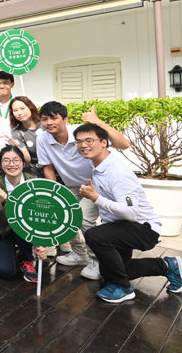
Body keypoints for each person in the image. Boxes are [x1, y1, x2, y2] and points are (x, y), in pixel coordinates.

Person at [75, 124, 182, 303]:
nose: (83, 145)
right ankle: (167, 265)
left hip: (142, 228)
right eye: (79, 141)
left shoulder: (118, 172)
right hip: (119, 227)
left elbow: (132, 213)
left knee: (94, 235)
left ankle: (123, 288)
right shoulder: (97, 163)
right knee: (111, 272)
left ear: (104, 143)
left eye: (89, 140)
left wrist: (96, 198)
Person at [37, 101, 130, 279]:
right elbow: (48, 167)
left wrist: (99, 122)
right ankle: (80, 254)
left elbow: (124, 144)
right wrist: (56, 193)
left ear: (65, 119)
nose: (49, 122)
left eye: (54, 118)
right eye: (44, 119)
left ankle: (96, 260)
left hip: (94, 183)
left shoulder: (82, 134)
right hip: (71, 185)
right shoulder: (43, 139)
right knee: (63, 216)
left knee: (85, 219)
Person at [0, 146, 47, 283]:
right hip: (2, 230)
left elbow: (41, 216)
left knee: (24, 219)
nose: (11, 164)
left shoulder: (33, 181)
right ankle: (4, 251)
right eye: (6, 160)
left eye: (16, 160)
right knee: (6, 271)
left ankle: (26, 259)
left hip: (25, 230)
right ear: (0, 165)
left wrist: (40, 244)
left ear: (24, 163)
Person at [8, 96, 43, 177]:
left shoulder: (44, 124)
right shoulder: (17, 134)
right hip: (36, 173)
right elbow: (27, 160)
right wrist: (17, 147)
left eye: (22, 108)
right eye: (15, 110)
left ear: (30, 107)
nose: (20, 112)